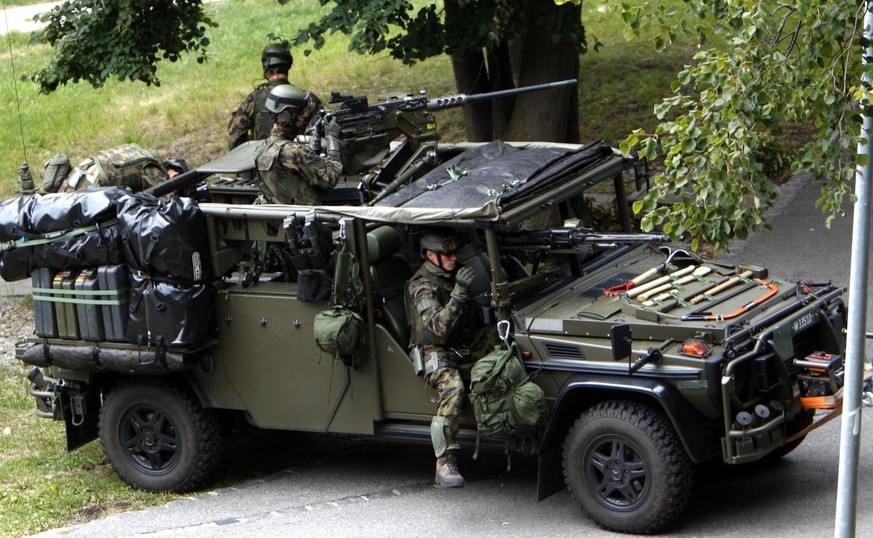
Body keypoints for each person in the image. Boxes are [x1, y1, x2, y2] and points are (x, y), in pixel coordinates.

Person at [406, 228, 491, 488]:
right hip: (433, 348)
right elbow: (437, 327)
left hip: (461, 340)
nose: (454, 258)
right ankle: (444, 461)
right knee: (453, 387)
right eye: (448, 253)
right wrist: (458, 294)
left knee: (503, 350)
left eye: (456, 252)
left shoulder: (452, 274)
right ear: (431, 255)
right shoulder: (422, 285)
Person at [254, 84, 342, 205]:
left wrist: (316, 139)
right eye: (299, 113)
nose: (303, 118)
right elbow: (330, 178)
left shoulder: (262, 148)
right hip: (310, 219)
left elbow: (300, 171)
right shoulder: (294, 152)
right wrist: (332, 139)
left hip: (285, 217)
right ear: (285, 117)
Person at [227, 43, 323, 150]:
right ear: (288, 65)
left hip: (262, 164)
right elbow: (322, 136)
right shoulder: (310, 99)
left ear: (265, 66)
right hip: (301, 163)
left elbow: (234, 140)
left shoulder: (253, 100)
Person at [42, 144, 172, 193]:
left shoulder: (138, 150)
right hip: (92, 185)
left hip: (73, 181)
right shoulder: (154, 169)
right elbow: (167, 206)